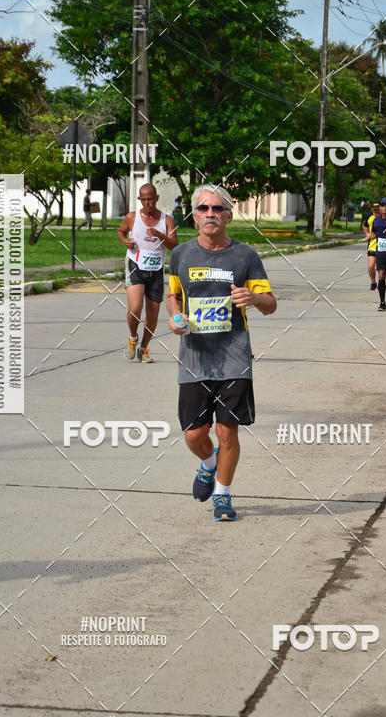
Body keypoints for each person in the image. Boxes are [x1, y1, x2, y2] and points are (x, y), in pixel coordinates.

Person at [166, 183, 277, 521]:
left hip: (234, 357)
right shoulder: (181, 255)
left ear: (228, 215)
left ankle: (223, 496)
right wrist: (174, 317)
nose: (210, 214)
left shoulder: (245, 256)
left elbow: (270, 304)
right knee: (194, 434)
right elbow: (174, 296)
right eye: (203, 208)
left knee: (227, 431)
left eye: (217, 209)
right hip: (194, 358)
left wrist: (253, 298)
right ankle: (208, 463)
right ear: (194, 216)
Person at [117, 183, 178, 362]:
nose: (147, 203)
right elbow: (121, 231)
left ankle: (144, 348)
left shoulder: (166, 220)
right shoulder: (132, 217)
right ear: (139, 199)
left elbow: (174, 245)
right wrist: (125, 241)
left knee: (152, 313)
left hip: (156, 268)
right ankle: (132, 338)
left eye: (150, 199)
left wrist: (160, 235)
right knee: (135, 308)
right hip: (135, 264)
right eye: (143, 200)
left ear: (156, 198)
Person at [362, 201, 381, 290]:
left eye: (377, 209)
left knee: (381, 267)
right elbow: (365, 226)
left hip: (383, 244)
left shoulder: (385, 216)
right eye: (374, 209)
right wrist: (367, 234)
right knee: (371, 265)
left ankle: (382, 282)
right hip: (372, 244)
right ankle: (373, 282)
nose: (376, 211)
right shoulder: (369, 216)